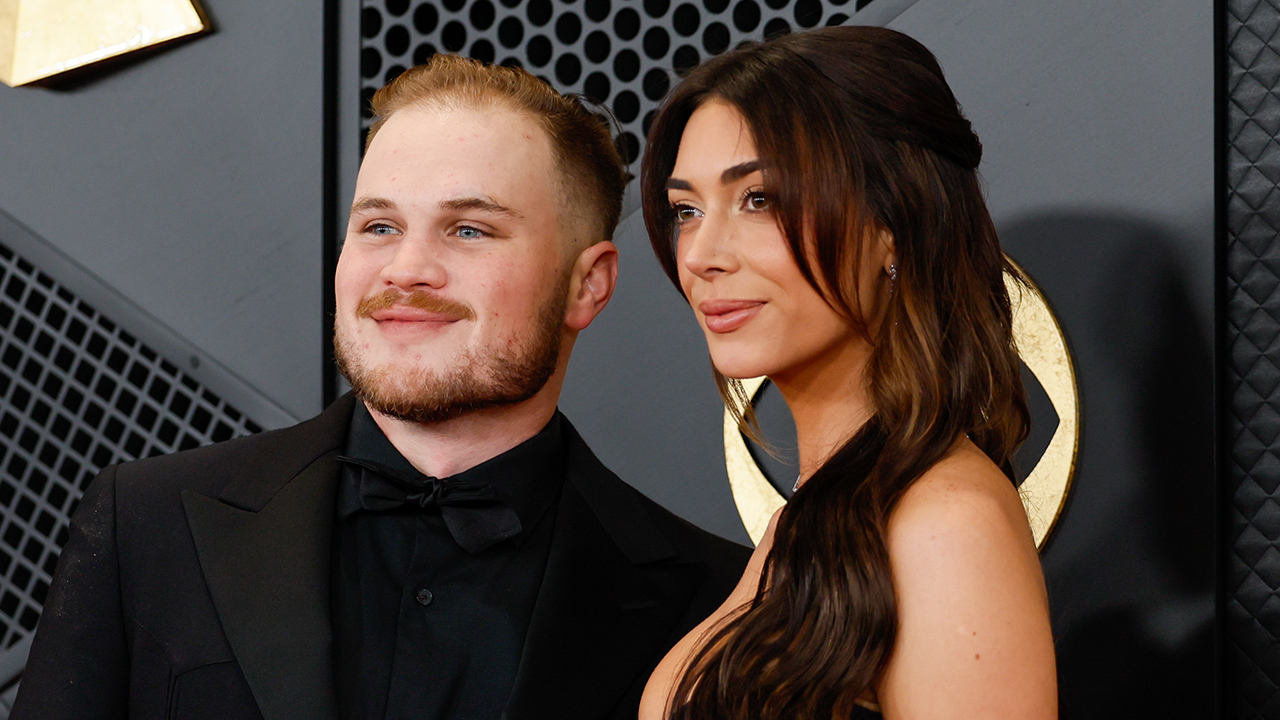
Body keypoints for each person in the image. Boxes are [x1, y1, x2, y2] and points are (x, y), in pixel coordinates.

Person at [12, 55, 751, 720]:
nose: (405, 269)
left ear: (587, 285)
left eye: (468, 230)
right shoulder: (145, 523)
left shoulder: (717, 604)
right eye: (378, 227)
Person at [637, 26, 1057, 720]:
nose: (701, 255)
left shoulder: (944, 524)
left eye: (759, 199)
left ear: (893, 222)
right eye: (687, 210)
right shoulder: (811, 518)